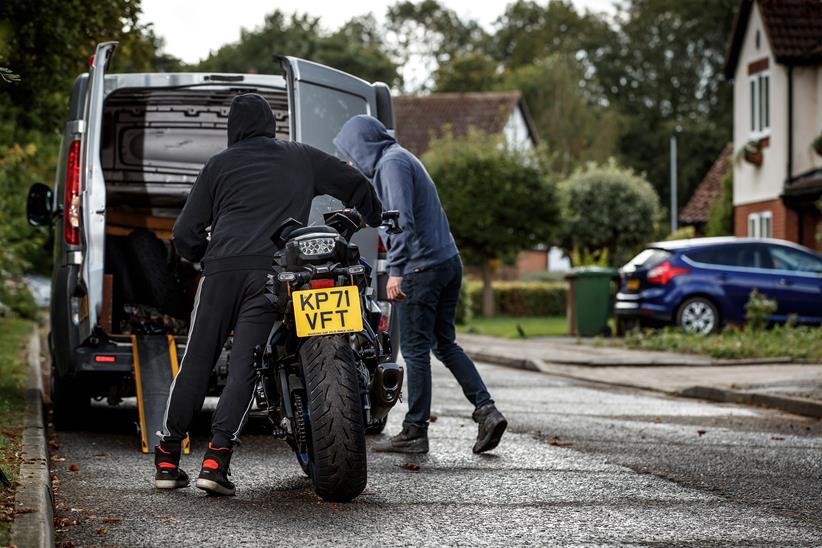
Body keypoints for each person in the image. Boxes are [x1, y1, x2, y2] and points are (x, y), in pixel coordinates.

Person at [153, 94, 382, 496]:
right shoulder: (300, 157)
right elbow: (357, 185)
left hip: (220, 271)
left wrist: (203, 257)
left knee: (196, 361)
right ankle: (215, 462)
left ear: (233, 128)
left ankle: (168, 460)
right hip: (271, 275)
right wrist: (370, 216)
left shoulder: (217, 166)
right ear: (270, 125)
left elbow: (184, 233)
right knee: (245, 366)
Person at [333, 115, 507, 455]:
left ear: (363, 144)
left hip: (420, 268)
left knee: (414, 350)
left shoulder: (391, 164)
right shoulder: (398, 159)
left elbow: (401, 221)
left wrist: (395, 270)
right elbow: (390, 213)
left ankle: (415, 430)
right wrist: (357, 216)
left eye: (350, 152)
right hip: (444, 262)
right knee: (443, 344)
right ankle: (486, 411)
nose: (350, 161)